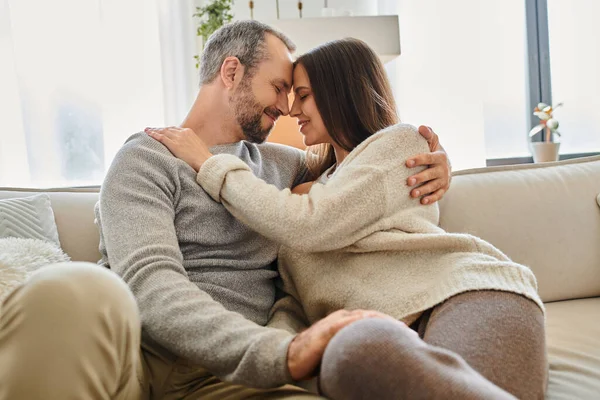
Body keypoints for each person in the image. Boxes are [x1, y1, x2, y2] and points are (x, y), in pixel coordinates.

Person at [0, 21, 451, 399]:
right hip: (143, 361)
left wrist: (433, 158)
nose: (286, 107)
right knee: (72, 288)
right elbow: (151, 284)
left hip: (234, 379)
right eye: (278, 88)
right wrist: (277, 354)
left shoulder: (284, 164)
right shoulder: (146, 158)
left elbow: (358, 160)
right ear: (231, 71)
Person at [147, 38, 547, 400]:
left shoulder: (398, 145)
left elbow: (307, 223)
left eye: (302, 95)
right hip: (379, 331)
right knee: (351, 353)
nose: (290, 109)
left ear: (338, 94)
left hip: (460, 295)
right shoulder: (312, 181)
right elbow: (293, 297)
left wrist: (206, 162)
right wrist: (275, 353)